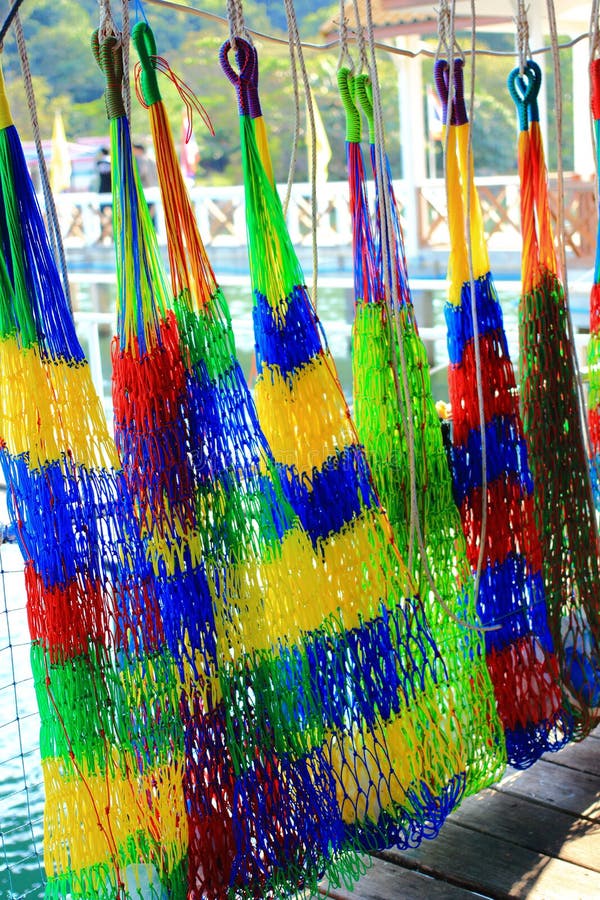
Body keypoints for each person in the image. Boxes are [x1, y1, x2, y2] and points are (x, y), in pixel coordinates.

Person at [133, 143, 158, 229]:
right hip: (155, 187)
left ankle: (147, 229)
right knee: (153, 211)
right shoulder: (152, 158)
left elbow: (141, 173)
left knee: (146, 212)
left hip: (146, 189)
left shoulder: (141, 159)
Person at [95, 147, 113, 244]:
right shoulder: (112, 162)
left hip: (103, 192)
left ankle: (104, 236)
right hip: (111, 191)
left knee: (104, 215)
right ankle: (109, 236)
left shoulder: (100, 163)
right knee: (110, 216)